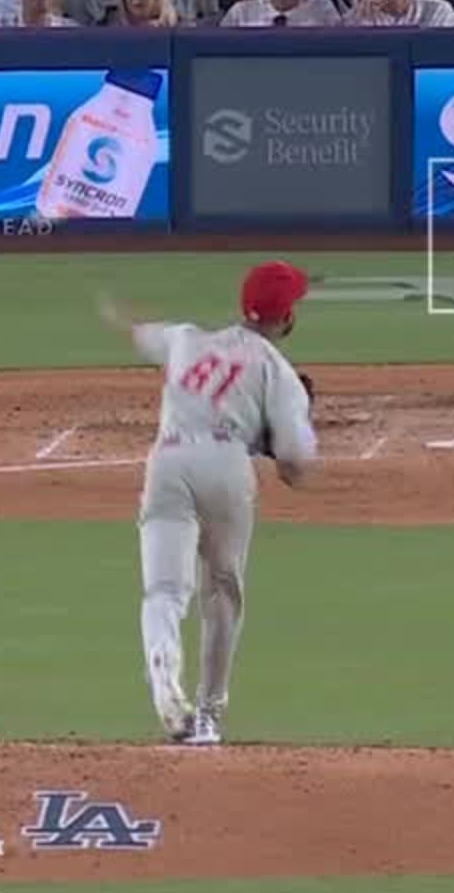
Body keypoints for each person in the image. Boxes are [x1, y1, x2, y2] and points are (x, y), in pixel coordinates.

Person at [96, 260, 317, 746]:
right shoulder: (277, 372)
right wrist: (271, 437)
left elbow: (136, 330)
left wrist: (111, 305)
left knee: (163, 590)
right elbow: (295, 467)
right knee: (221, 593)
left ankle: (164, 679)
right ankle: (209, 715)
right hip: (225, 467)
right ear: (286, 318)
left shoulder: (185, 339)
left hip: (168, 462)